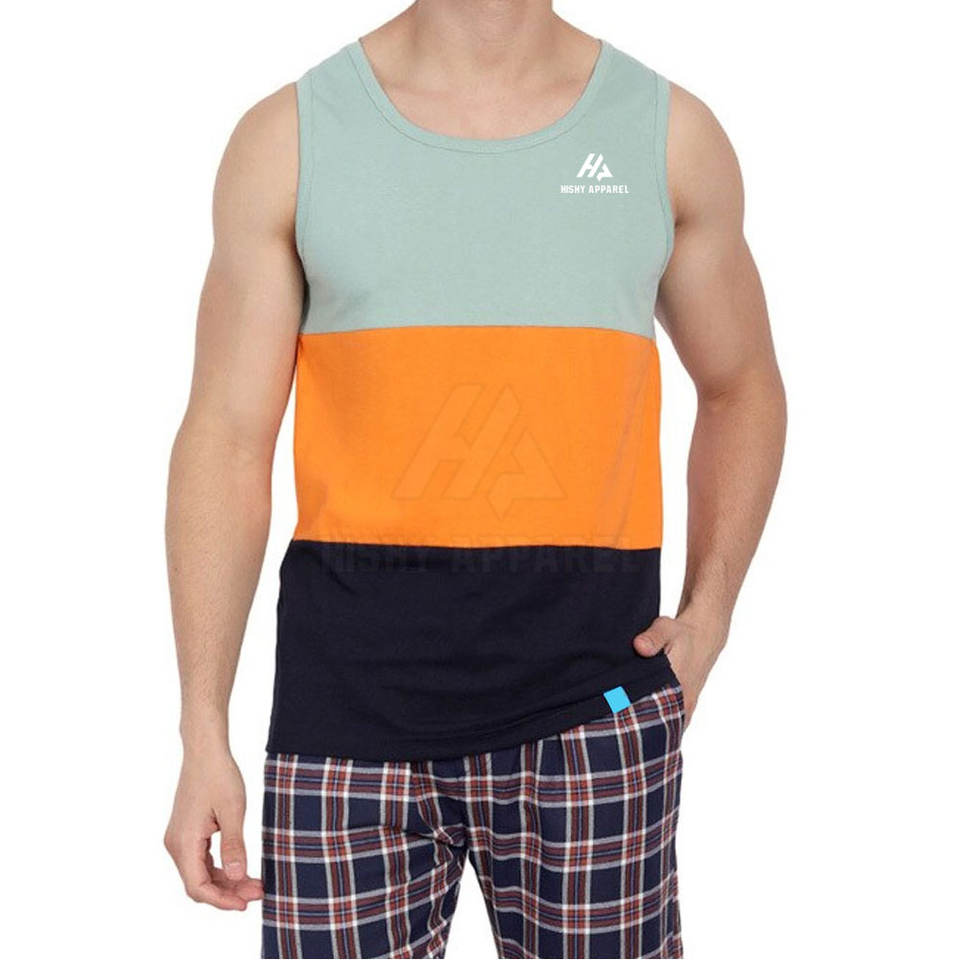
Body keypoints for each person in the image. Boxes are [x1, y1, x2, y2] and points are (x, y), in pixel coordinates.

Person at [163, 2, 786, 957]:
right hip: (345, 728)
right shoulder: (291, 139)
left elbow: (742, 386)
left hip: (594, 718)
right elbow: (226, 439)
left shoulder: (667, 137)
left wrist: (710, 616)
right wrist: (202, 725)